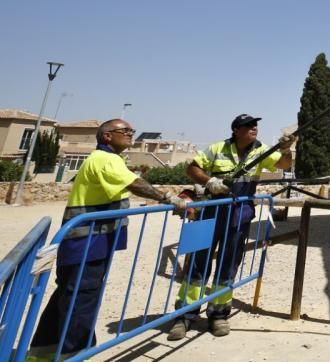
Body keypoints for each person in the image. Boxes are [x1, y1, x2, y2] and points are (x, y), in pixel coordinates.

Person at [28, 119, 187, 359]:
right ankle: (75, 353)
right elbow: (135, 184)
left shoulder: (107, 159)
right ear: (107, 136)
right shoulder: (106, 159)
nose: (131, 135)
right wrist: (170, 199)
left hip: (86, 238)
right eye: (125, 131)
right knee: (83, 297)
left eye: (132, 131)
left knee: (68, 293)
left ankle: (43, 350)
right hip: (88, 240)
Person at [168, 114, 294, 339]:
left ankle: (218, 315)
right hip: (208, 213)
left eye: (255, 125)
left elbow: (284, 164)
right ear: (236, 130)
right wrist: (209, 181)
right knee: (198, 263)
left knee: (228, 266)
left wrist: (286, 148)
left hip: (239, 216)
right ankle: (185, 315)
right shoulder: (217, 148)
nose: (254, 128)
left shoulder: (261, 150)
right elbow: (192, 168)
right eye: (248, 126)